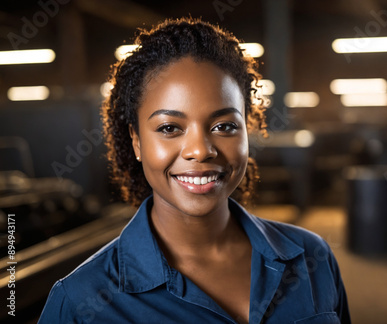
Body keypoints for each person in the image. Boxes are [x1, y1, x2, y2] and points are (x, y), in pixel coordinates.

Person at [38, 17, 350, 324]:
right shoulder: (80, 303)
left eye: (224, 126)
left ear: (247, 130)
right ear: (136, 141)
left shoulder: (312, 258)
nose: (200, 150)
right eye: (170, 127)